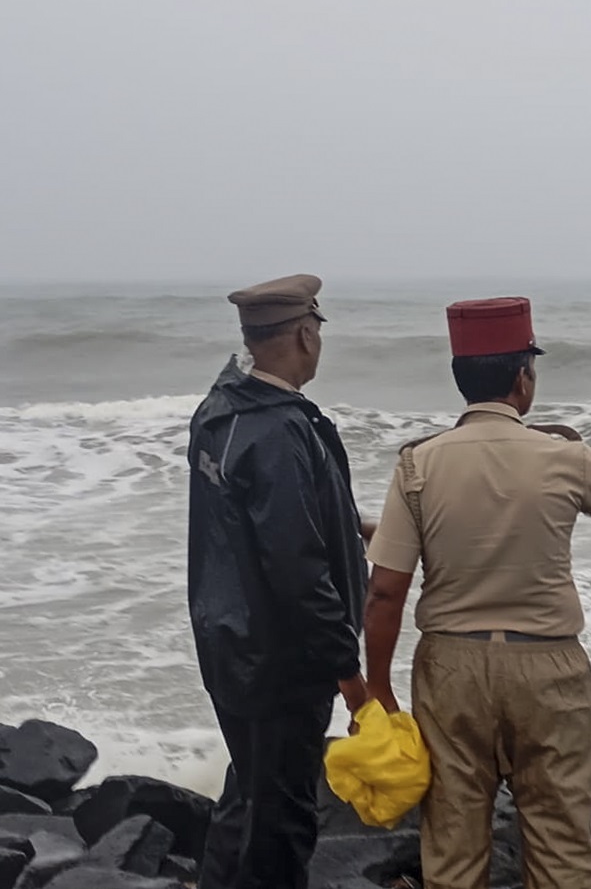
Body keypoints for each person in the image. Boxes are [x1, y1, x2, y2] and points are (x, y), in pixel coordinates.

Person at [364, 296, 591, 889]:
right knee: (563, 846)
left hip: (449, 669)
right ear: (524, 379)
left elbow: (386, 590)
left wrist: (379, 690)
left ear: (461, 379)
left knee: (452, 849)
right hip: (549, 667)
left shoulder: (418, 465)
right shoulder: (565, 457)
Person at [187, 274, 370, 889]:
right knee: (284, 819)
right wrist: (348, 668)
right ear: (303, 334)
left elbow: (258, 520)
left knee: (246, 795)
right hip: (281, 660)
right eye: (315, 329)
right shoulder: (280, 430)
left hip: (228, 642)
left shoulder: (220, 412)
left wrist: (359, 526)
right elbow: (296, 565)